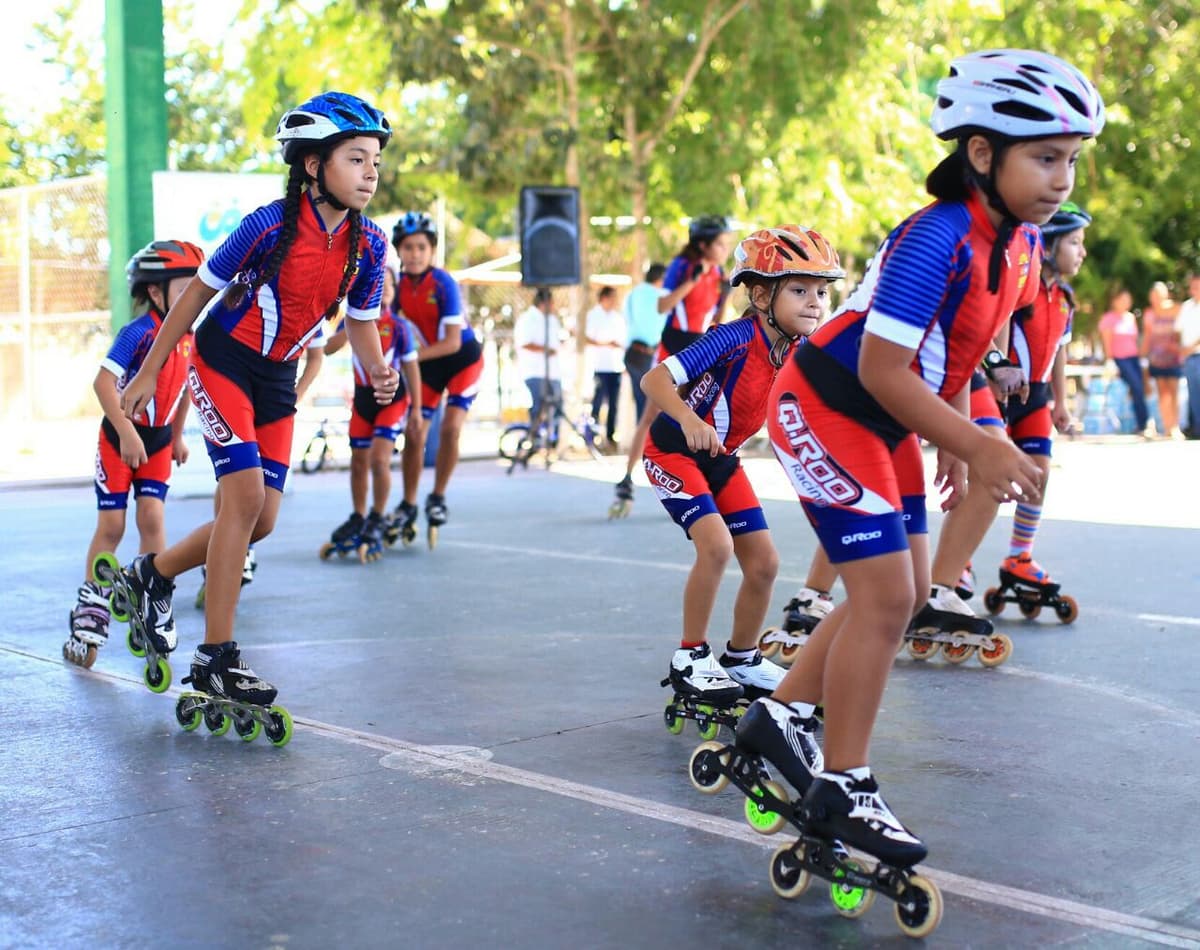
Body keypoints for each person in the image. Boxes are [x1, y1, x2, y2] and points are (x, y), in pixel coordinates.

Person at [745, 50, 1100, 870]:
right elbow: (878, 368)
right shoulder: (932, 236)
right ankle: (843, 784)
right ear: (982, 154)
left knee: (898, 599)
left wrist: (954, 429)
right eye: (1045, 157)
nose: (1062, 179)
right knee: (887, 594)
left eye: (1071, 160)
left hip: (887, 419)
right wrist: (973, 440)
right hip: (825, 406)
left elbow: (960, 349)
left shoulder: (1018, 245)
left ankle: (780, 715)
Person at [116, 91, 399, 707]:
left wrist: (378, 370)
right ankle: (216, 657)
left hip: (276, 376)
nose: (371, 172)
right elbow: (193, 299)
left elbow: (361, 321)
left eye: (375, 159)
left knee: (260, 520)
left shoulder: (370, 243)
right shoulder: (267, 225)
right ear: (313, 165)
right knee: (242, 499)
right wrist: (148, 373)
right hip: (222, 360)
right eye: (356, 158)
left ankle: (152, 574)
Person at [645, 225, 843, 705]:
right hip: (673, 450)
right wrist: (690, 420)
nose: (814, 302)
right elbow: (655, 380)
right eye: (799, 290)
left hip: (721, 460)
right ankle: (690, 657)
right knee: (715, 547)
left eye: (820, 291)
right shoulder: (732, 338)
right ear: (759, 294)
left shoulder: (798, 352)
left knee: (765, 564)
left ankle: (742, 659)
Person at [63, 240, 203, 669]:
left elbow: (183, 393)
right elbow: (104, 383)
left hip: (158, 441)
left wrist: (177, 437)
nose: (194, 299)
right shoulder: (139, 332)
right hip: (121, 438)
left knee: (153, 519)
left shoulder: (191, 338)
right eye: (185, 289)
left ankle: (151, 592)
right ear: (156, 293)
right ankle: (89, 613)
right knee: (112, 526)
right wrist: (125, 431)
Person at [613, 217, 734, 510]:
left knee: (701, 414)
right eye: (720, 244)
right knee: (652, 415)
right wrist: (692, 280)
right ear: (703, 245)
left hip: (700, 346)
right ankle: (627, 479)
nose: (725, 249)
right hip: (673, 345)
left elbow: (717, 319)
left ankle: (697, 484)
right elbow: (662, 306)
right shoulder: (683, 266)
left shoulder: (718, 271)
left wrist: (725, 296)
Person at [390, 211, 480, 541]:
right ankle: (409, 503)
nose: (414, 254)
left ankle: (438, 496)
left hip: (461, 361)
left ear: (431, 251)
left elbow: (453, 342)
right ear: (399, 251)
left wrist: (405, 359)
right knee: (414, 434)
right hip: (427, 365)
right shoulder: (396, 287)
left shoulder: (443, 282)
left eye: (421, 248)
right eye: (408, 247)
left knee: (451, 428)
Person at [322, 263, 422, 556]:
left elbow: (412, 368)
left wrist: (416, 409)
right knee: (358, 462)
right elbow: (327, 349)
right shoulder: (354, 321)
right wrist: (346, 329)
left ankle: (377, 517)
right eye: (381, 286)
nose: (385, 291)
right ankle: (359, 515)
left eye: (390, 286)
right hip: (363, 399)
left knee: (380, 460)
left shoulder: (400, 328)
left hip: (392, 399)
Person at [513, 287, 565, 448]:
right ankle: (534, 440)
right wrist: (545, 349)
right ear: (545, 302)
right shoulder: (527, 319)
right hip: (535, 371)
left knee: (557, 405)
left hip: (553, 372)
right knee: (539, 405)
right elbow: (524, 343)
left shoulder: (553, 320)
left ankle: (552, 440)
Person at [1098, 288, 1150, 436]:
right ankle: (1143, 423)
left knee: (1139, 389)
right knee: (1136, 387)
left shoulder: (1130, 317)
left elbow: (1134, 340)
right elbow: (1107, 341)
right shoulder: (1108, 318)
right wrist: (1110, 360)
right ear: (1115, 301)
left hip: (1134, 358)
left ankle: (1142, 423)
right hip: (1120, 359)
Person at [623, 263, 667, 420]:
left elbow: (627, 319)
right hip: (646, 354)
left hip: (632, 353)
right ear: (661, 278)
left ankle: (639, 441)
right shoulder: (663, 295)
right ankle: (644, 443)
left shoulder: (633, 293)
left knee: (641, 404)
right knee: (650, 408)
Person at [585, 285, 627, 449]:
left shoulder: (617, 317)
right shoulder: (593, 316)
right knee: (597, 401)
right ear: (604, 298)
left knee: (613, 404)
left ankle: (610, 435)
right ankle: (593, 435)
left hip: (615, 366)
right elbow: (587, 338)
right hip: (600, 365)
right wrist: (606, 344)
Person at [1142, 280, 1184, 439]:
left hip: (1173, 356)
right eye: (1152, 295)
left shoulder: (1176, 309)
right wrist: (1143, 356)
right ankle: (1167, 426)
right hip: (1156, 357)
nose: (1155, 298)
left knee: (1174, 391)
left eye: (1158, 295)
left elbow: (1181, 331)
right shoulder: (1149, 314)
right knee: (1162, 392)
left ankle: (1175, 426)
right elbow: (1147, 336)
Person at [1176, 274, 1200, 437]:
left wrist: (1192, 347)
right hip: (1190, 358)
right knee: (1193, 394)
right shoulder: (1186, 307)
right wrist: (1182, 348)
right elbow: (1178, 330)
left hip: (1196, 352)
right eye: (1193, 286)